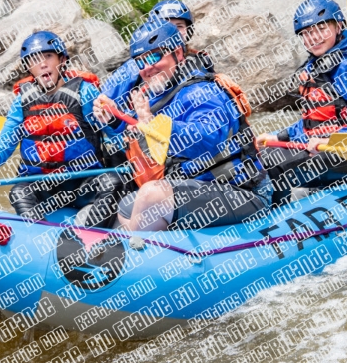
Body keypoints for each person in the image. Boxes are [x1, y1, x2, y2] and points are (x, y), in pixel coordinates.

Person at [93, 19, 271, 231]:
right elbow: (141, 139)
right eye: (141, 62)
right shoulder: (159, 97)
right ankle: (152, 244)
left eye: (155, 56)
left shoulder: (203, 91)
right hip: (198, 188)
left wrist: (152, 124)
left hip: (241, 191)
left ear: (177, 54)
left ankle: (141, 250)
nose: (148, 67)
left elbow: (208, 141)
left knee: (152, 195)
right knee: (126, 205)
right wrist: (113, 119)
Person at [0, 31, 128, 227]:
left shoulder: (85, 93)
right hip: (45, 191)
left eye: (48, 56)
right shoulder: (21, 104)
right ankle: (40, 242)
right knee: (19, 192)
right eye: (35, 60)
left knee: (112, 182)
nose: (43, 64)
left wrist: (112, 122)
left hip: (83, 185)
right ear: (29, 67)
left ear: (61, 60)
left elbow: (120, 141)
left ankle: (94, 241)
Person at [255, 0, 347, 201]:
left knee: (275, 166)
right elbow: (315, 122)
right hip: (329, 149)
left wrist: (330, 141)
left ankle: (269, 221)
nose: (313, 38)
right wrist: (279, 136)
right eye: (306, 33)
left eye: (321, 29)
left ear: (338, 26)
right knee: (261, 158)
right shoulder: (318, 65)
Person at [101, 0, 213, 111]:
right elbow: (105, 98)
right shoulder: (135, 65)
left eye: (179, 26)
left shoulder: (200, 62)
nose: (173, 31)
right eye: (165, 24)